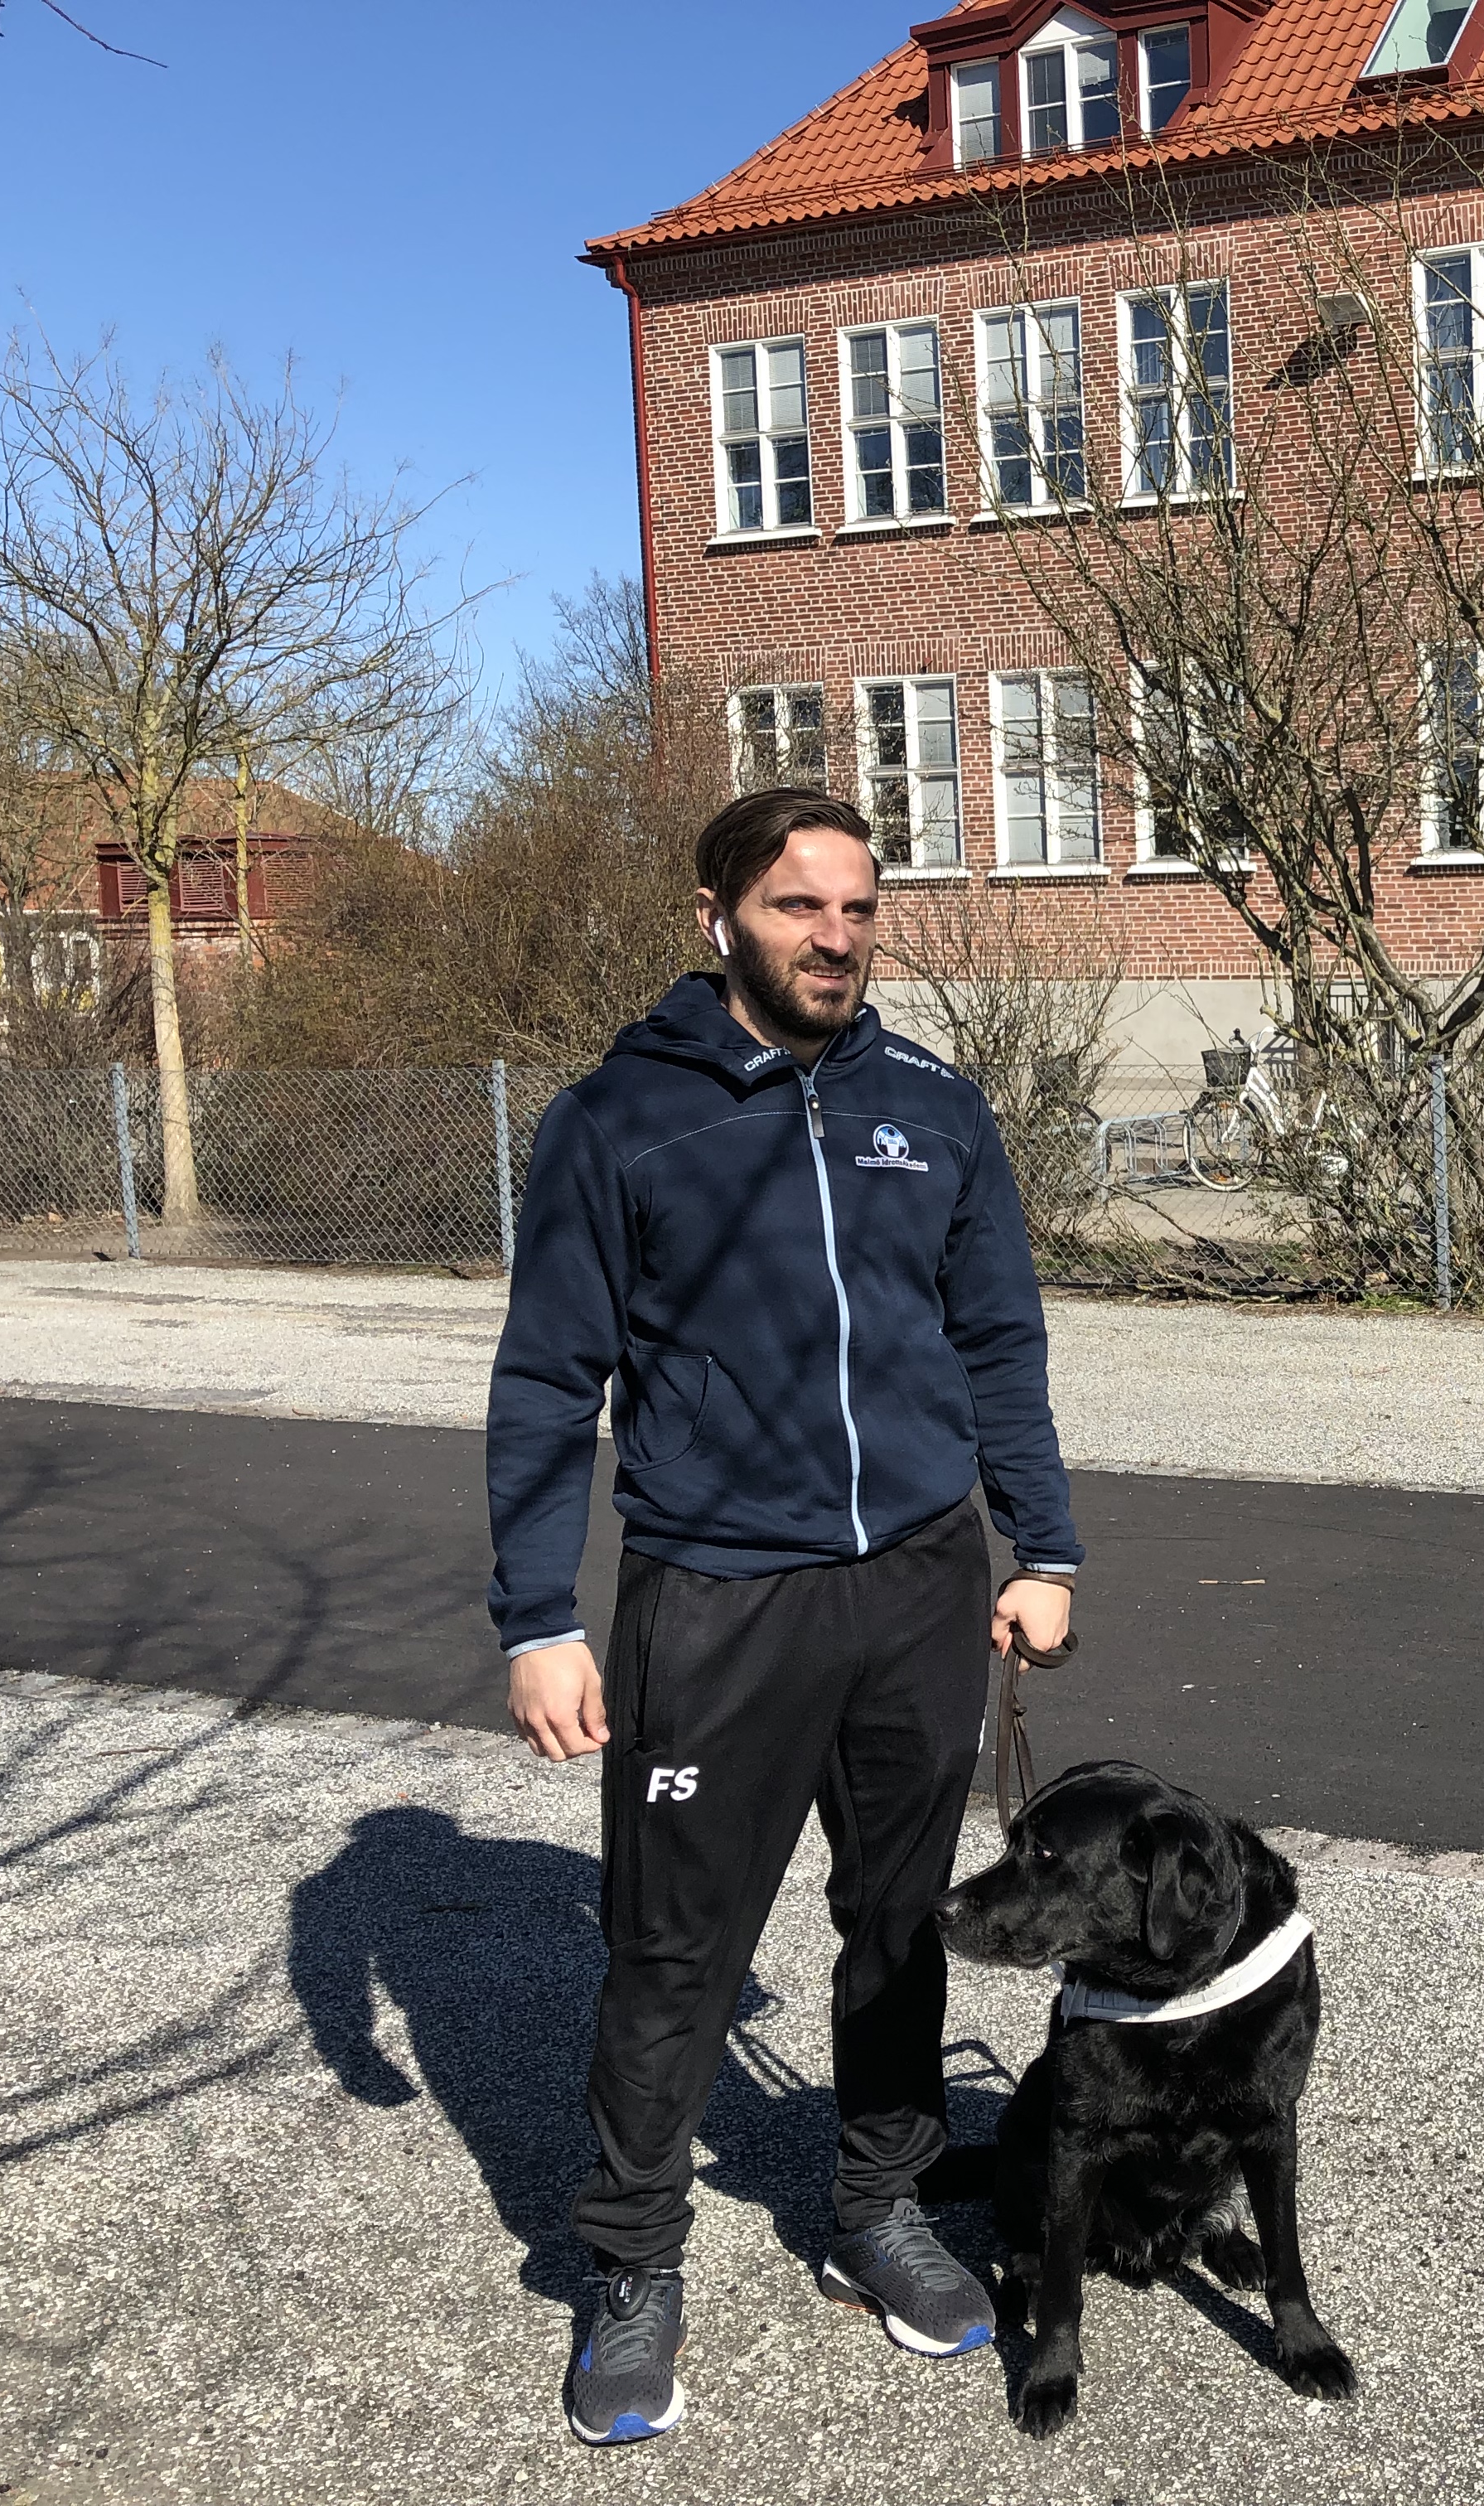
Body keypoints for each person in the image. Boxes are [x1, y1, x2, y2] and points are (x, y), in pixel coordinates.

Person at [486, 786, 1081, 2447]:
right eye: (798, 906)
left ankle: (881, 2210)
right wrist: (539, 1612)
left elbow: (998, 1346)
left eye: (859, 908)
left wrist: (1045, 1546)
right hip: (716, 1598)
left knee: (899, 1925)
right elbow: (549, 1381)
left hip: (917, 1588)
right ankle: (626, 2265)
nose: (836, 936)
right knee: (673, 1953)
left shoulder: (936, 1110)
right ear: (717, 917)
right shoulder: (621, 1121)